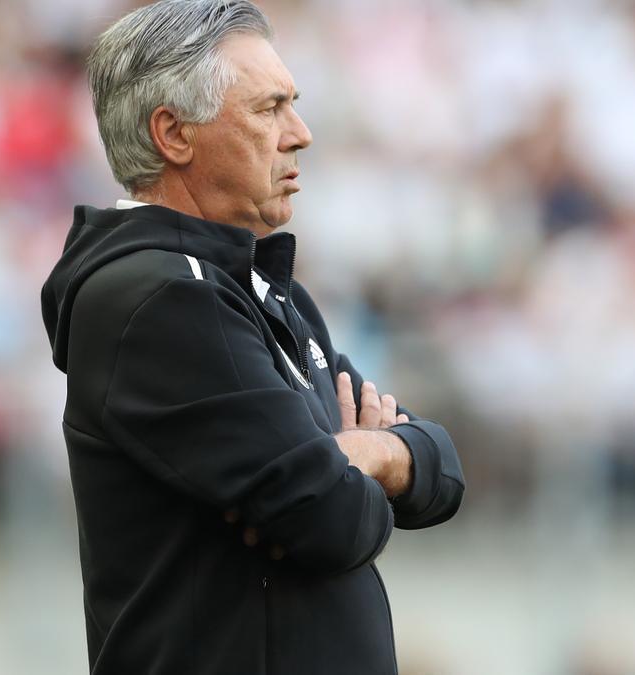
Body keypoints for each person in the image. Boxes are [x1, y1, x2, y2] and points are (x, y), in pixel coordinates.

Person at [39, 1, 465, 673]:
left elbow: (442, 472)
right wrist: (367, 463)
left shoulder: (259, 289)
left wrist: (370, 453)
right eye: (269, 110)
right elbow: (328, 516)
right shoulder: (162, 297)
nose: (300, 134)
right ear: (174, 134)